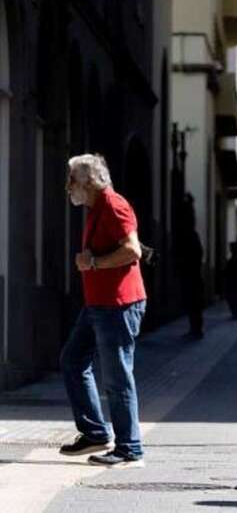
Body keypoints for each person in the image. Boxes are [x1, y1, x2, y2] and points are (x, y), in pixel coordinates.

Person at [59, 154, 147, 468]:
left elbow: (132, 250)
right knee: (72, 360)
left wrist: (93, 262)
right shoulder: (96, 208)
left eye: (72, 179)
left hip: (118, 305)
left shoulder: (113, 205)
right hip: (99, 304)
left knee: (117, 378)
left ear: (88, 182)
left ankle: (129, 447)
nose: (68, 186)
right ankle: (95, 432)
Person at [175, 194, 204, 338]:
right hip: (193, 274)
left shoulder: (189, 235)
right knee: (193, 302)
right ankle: (195, 329)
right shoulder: (192, 235)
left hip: (191, 274)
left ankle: (196, 329)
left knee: (192, 302)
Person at [225, 241, 237, 319]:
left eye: (231, 248)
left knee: (232, 298)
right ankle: (235, 313)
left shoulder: (236, 258)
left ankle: (235, 313)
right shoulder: (235, 258)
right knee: (233, 298)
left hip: (233, 281)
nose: (230, 249)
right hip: (233, 281)